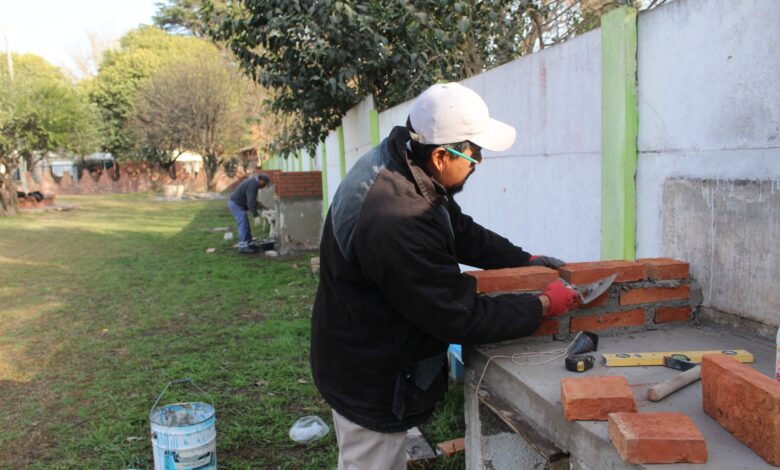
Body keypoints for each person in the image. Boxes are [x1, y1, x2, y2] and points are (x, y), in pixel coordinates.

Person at [311, 82, 578, 469]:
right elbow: (458, 315)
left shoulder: (406, 162)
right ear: (441, 155)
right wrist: (543, 304)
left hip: (361, 343)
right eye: (473, 153)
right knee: (370, 460)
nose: (479, 162)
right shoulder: (396, 219)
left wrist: (523, 259)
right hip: (368, 373)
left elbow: (457, 229)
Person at [228, 170, 270, 254]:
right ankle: (243, 247)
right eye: (264, 184)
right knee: (243, 225)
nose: (264, 186)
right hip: (236, 205)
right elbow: (250, 203)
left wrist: (265, 208)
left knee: (245, 224)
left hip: (238, 204)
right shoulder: (253, 185)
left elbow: (254, 201)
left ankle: (249, 243)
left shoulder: (254, 183)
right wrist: (255, 216)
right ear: (261, 180)